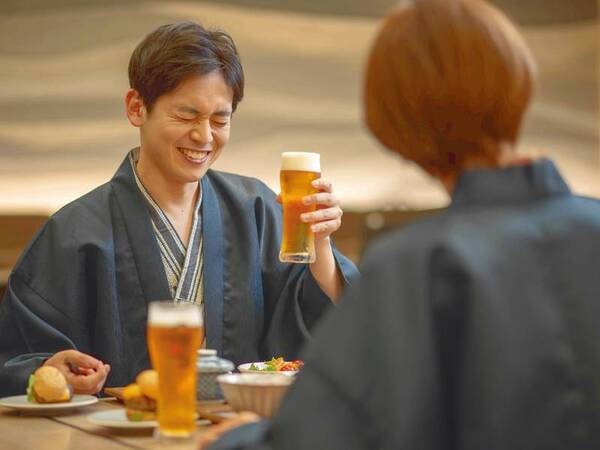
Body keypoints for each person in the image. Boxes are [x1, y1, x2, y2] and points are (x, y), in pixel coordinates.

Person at [200, 0, 600, 449]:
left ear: (394, 124)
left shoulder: (417, 265)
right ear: (520, 82)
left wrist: (235, 439)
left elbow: (323, 435)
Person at [0, 22, 357, 397]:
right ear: (137, 108)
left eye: (220, 119)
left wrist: (320, 245)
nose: (204, 136)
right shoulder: (74, 231)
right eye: (187, 116)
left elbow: (331, 330)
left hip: (238, 426)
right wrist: (50, 372)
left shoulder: (257, 209)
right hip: (121, 427)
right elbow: (16, 358)